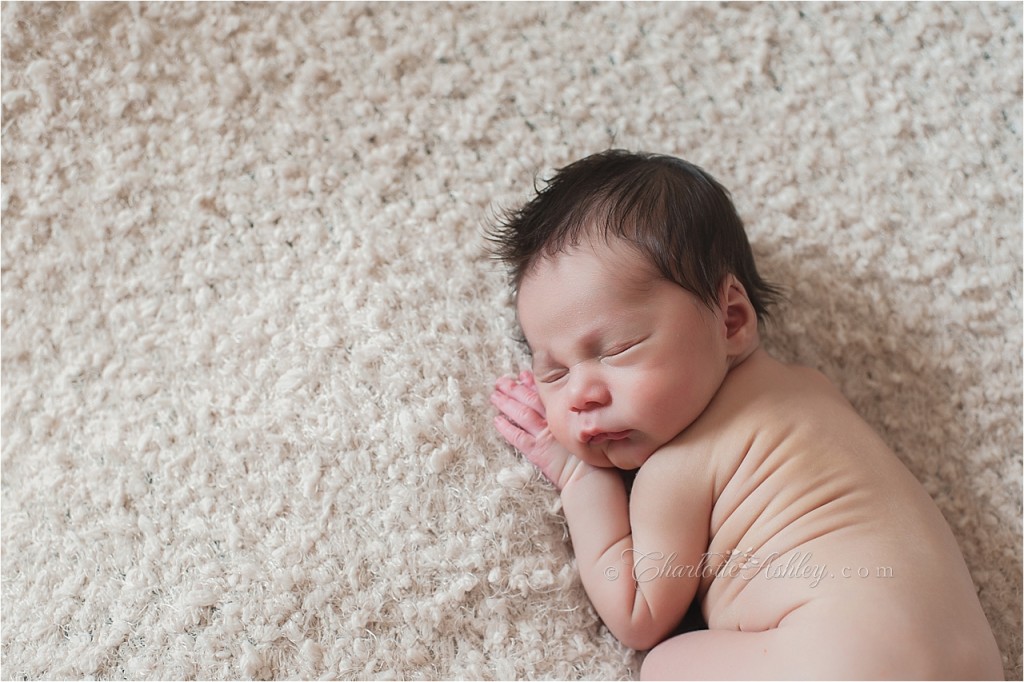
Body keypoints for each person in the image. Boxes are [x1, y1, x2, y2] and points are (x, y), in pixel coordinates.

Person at [487, 150, 1003, 679]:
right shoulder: (812, 389)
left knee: (665, 662)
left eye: (618, 349)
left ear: (731, 321)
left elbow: (638, 614)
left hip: (840, 661)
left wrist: (578, 474)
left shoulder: (680, 466)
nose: (582, 395)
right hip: (977, 663)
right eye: (553, 374)